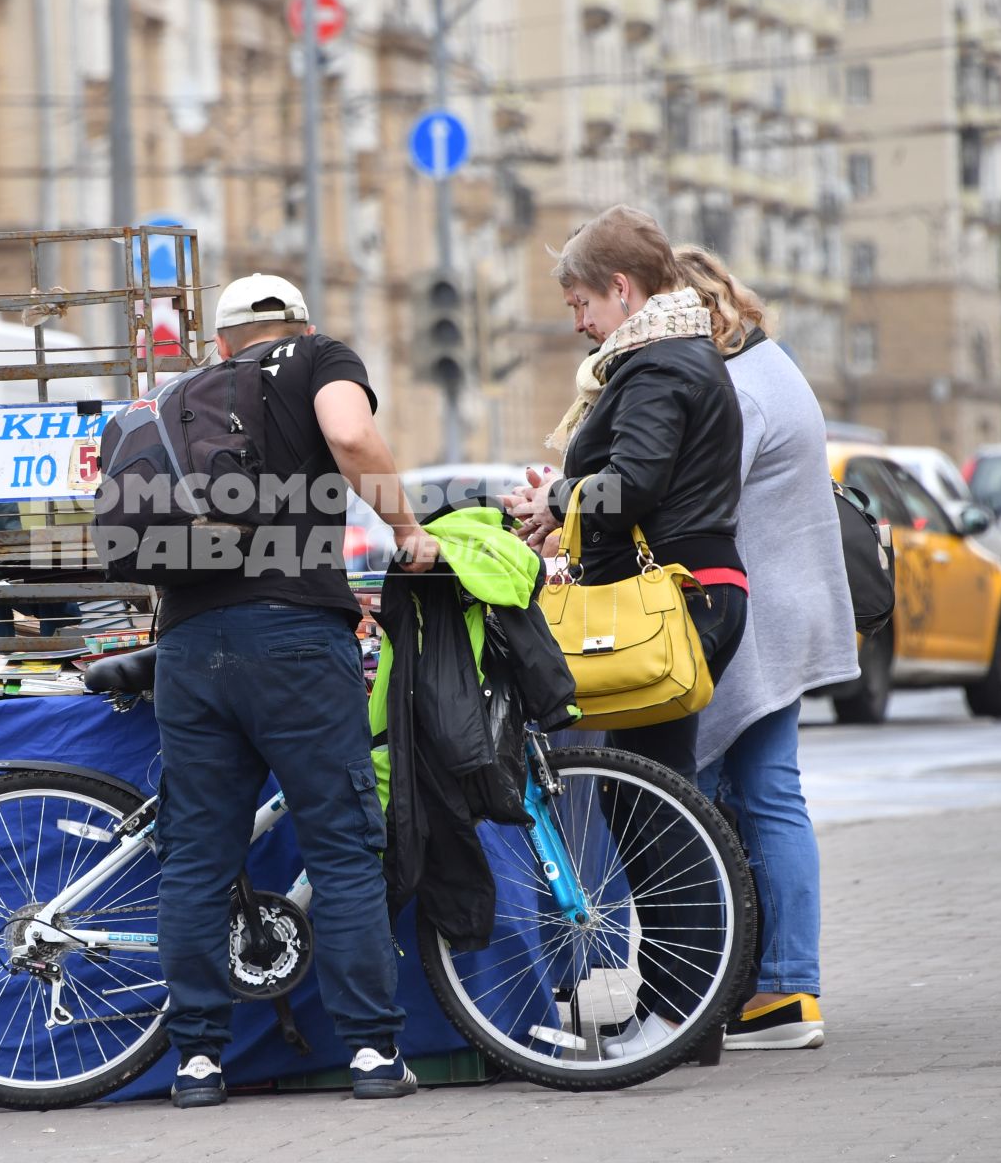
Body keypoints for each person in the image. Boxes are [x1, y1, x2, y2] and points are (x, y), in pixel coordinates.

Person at [151, 273, 437, 1108]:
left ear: (220, 342)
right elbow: (350, 438)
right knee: (342, 847)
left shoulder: (179, 392)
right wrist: (407, 531)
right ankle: (373, 1057)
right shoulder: (317, 358)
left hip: (189, 643)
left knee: (199, 857)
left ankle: (198, 1062)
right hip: (295, 640)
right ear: (300, 326)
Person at [501, 205, 749, 1057]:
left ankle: (680, 1013)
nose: (575, 322)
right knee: (659, 795)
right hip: (687, 592)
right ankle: (692, 1013)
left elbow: (635, 482)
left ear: (620, 286)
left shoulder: (656, 368)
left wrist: (558, 500)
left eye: (580, 302)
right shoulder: (678, 357)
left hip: (669, 599)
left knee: (652, 804)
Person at [677, 245, 857, 1051]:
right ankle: (781, 989)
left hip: (755, 611)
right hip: (790, 603)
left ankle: (741, 989)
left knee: (700, 795)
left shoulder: (738, 389)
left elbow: (699, 493)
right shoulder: (771, 363)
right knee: (768, 792)